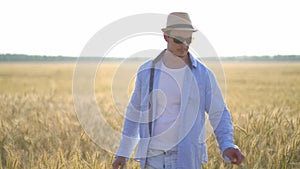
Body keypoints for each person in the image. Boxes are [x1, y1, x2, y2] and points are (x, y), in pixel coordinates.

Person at [112, 12, 245, 169]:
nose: (184, 45)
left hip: (186, 158)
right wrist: (123, 152)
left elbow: (219, 113)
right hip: (152, 158)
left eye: (188, 39)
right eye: (178, 40)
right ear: (166, 37)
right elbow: (134, 114)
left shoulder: (203, 75)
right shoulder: (147, 71)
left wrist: (227, 145)